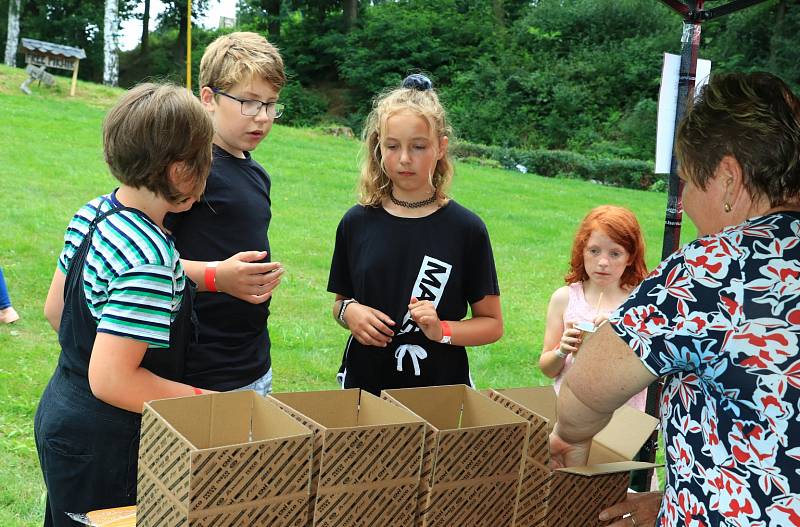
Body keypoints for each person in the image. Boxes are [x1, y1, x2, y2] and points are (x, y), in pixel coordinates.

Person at [550, 71, 800, 526]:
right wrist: (678, 497)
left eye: (688, 181)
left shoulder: (719, 267)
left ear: (727, 179)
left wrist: (570, 435)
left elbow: (588, 386)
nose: (682, 202)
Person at [36, 83, 215, 527]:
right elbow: (113, 380)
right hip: (107, 443)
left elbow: (56, 311)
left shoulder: (95, 212)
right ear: (179, 172)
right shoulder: (150, 259)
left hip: (62, 412)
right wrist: (206, 403)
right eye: (205, 158)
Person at [327, 73, 503, 396]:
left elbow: (492, 324)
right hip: (364, 389)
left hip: (440, 393)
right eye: (392, 146)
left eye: (418, 147)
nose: (404, 159)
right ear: (379, 148)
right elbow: (340, 303)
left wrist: (442, 330)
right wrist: (349, 312)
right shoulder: (356, 222)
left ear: (441, 148)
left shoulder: (467, 230)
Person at [166, 32, 286, 396]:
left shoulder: (256, 172)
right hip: (200, 369)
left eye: (271, 105)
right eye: (249, 103)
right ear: (209, 99)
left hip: (251, 359)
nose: (262, 118)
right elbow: (147, 263)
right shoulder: (188, 171)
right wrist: (219, 276)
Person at [539, 205, 648, 410]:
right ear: (582, 251)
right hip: (570, 416)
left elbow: (652, 372)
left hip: (623, 421)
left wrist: (620, 334)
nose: (603, 262)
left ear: (630, 257)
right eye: (594, 251)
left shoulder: (640, 303)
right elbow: (547, 368)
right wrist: (562, 351)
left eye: (615, 253)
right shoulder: (564, 299)